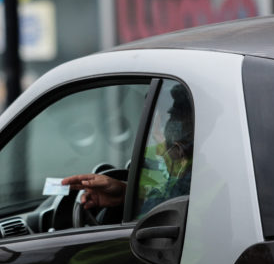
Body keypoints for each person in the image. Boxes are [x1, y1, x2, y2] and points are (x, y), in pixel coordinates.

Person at [62, 83, 194, 216]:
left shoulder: (202, 176)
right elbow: (166, 198)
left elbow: (170, 215)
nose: (156, 124)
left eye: (169, 116)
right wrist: (126, 194)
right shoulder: (148, 155)